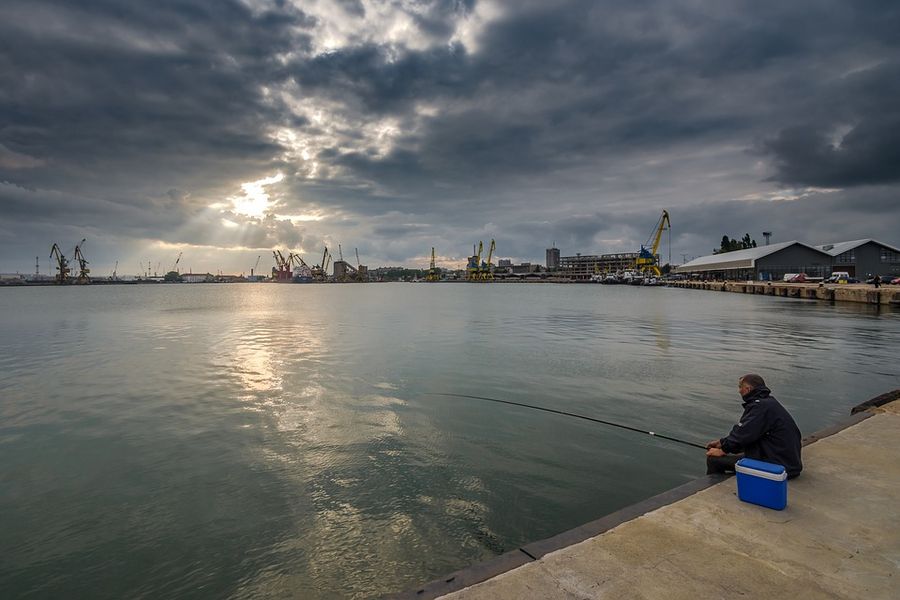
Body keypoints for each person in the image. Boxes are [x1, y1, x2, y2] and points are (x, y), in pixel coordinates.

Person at [706, 374, 803, 478]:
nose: (739, 391)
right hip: (787, 461)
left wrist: (722, 450)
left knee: (713, 459)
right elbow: (747, 434)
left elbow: (743, 433)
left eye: (740, 387)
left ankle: (718, 486)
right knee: (738, 451)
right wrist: (722, 442)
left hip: (779, 467)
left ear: (747, 389)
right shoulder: (768, 403)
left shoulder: (759, 407)